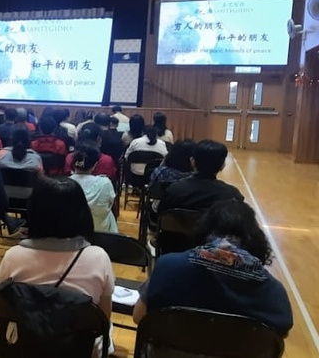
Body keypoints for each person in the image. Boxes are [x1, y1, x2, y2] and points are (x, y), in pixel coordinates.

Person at [133, 200, 293, 336]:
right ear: (255, 239)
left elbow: (139, 316)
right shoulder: (273, 291)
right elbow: (280, 335)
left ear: (203, 230)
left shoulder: (168, 267)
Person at [0, 178, 115, 355]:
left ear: (34, 211)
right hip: (77, 349)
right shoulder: (98, 257)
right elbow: (103, 317)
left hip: (25, 346)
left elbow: (1, 305)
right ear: (82, 213)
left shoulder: (14, 255)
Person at [158, 140, 243, 214]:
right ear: (222, 166)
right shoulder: (232, 195)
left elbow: (160, 216)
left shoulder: (174, 189)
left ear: (192, 161)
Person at [69, 145, 118, 233]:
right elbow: (111, 204)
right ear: (95, 164)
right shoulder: (105, 183)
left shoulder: (65, 183)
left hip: (73, 232)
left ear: (73, 163)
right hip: (102, 232)